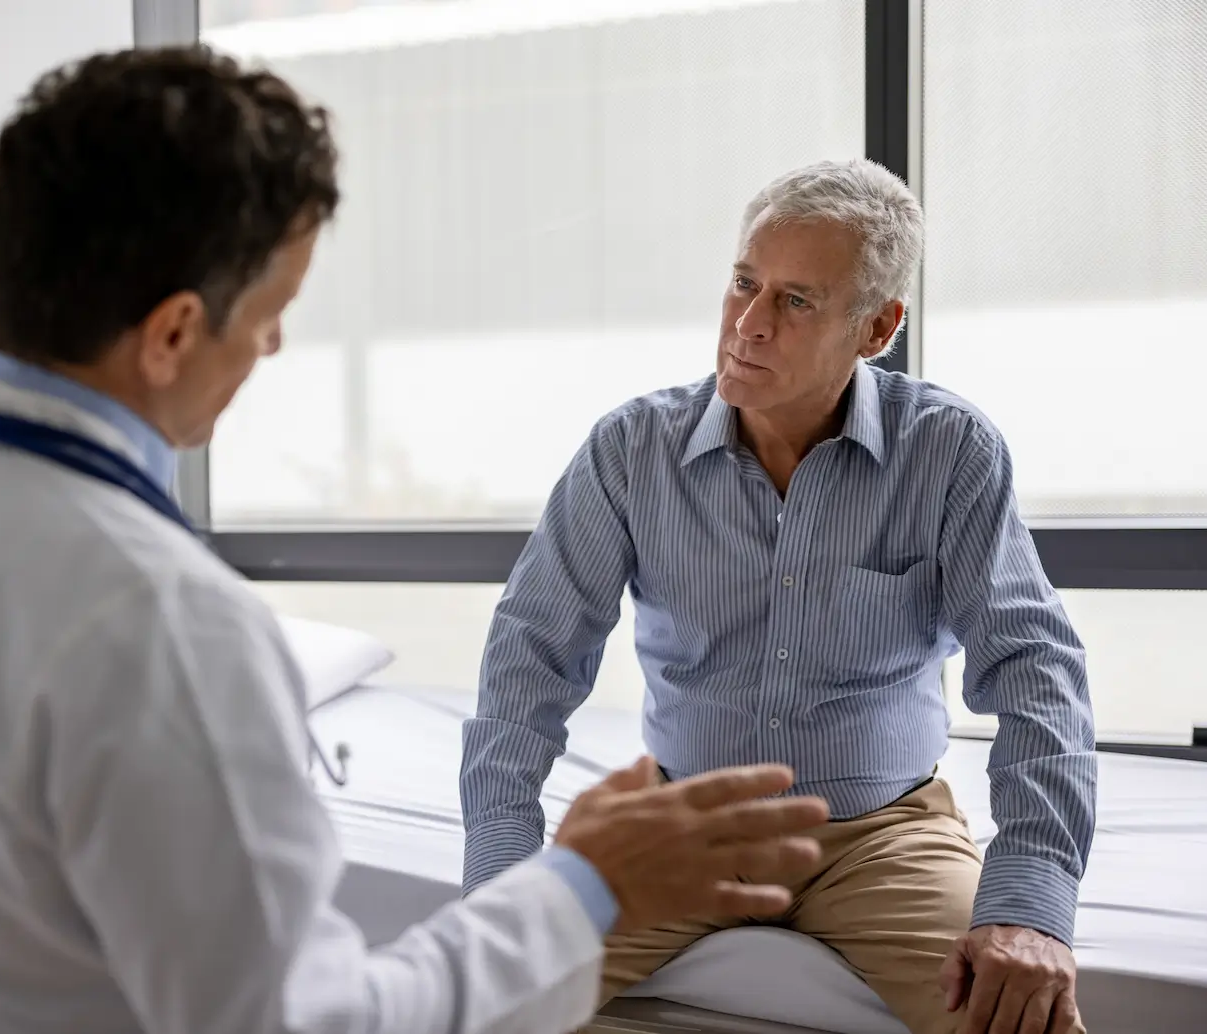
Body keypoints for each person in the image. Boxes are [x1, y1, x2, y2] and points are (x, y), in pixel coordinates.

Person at [0, 47, 834, 1034]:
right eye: (272, 307)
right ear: (173, 330)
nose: (272, 342)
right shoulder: (159, 618)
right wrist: (584, 881)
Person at [459, 159, 1098, 1034]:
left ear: (877, 327)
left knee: (1020, 1018)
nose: (748, 326)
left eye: (796, 302)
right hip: (682, 824)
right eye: (743, 284)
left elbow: (1035, 669)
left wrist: (1029, 900)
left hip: (883, 834)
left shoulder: (949, 453)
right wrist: (504, 875)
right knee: (479, 999)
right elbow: (527, 660)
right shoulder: (629, 451)